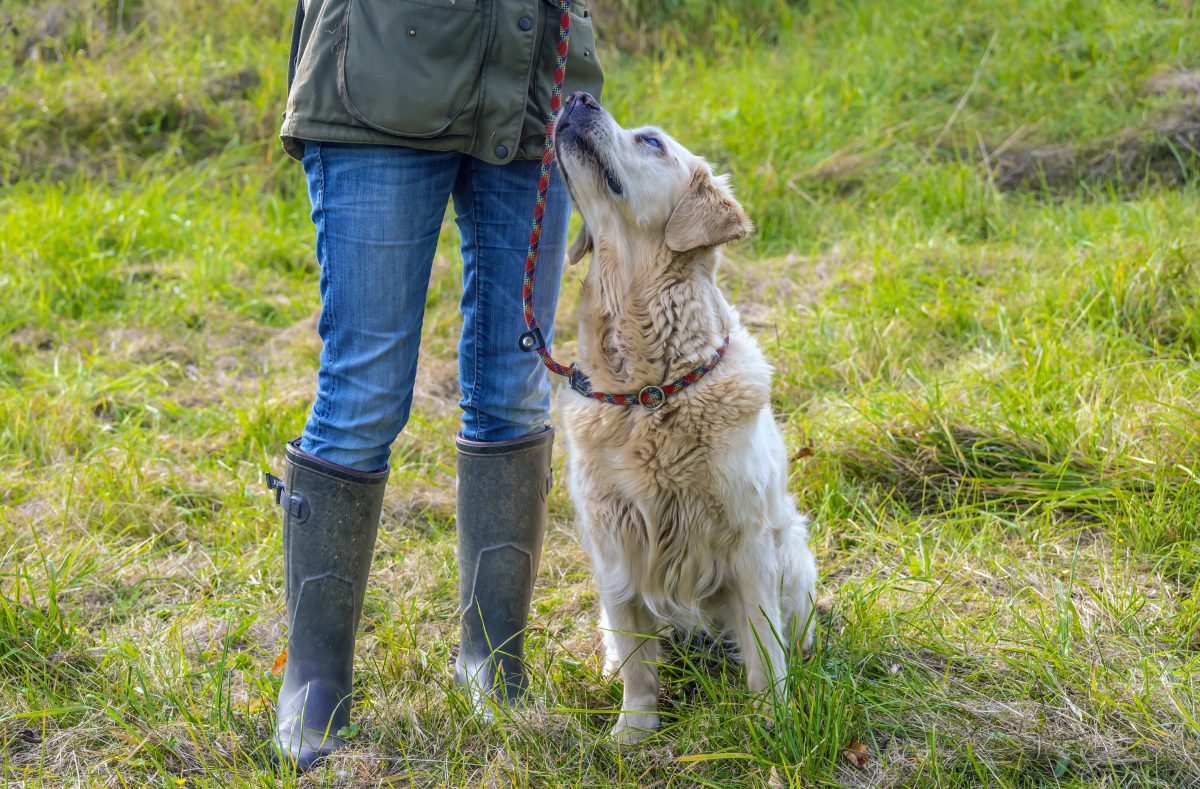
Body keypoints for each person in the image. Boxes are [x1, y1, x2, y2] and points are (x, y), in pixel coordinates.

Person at [265, 0, 603, 772]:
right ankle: (314, 683)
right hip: (382, 74)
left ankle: (494, 659)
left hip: (531, 77)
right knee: (364, 395)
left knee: (515, 386)